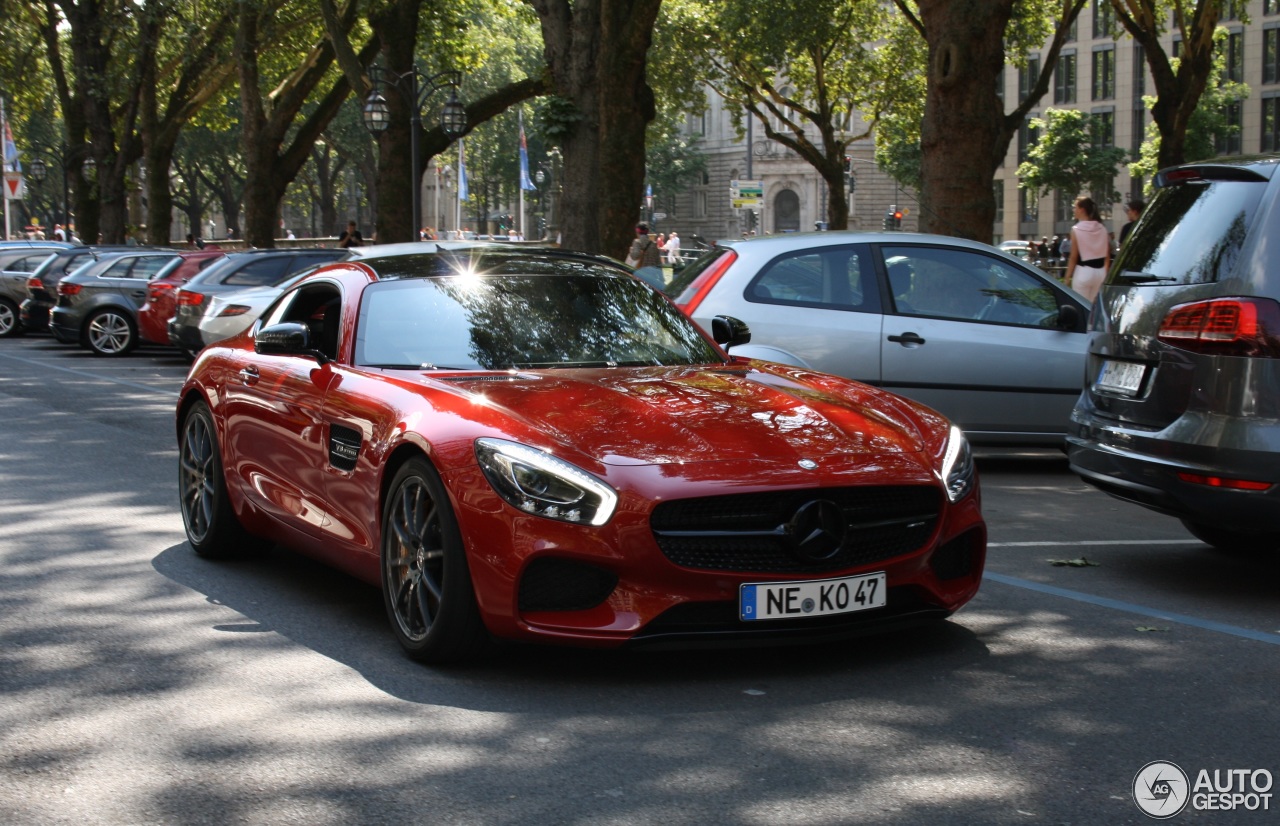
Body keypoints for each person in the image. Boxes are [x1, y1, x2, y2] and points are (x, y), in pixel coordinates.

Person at [1065, 196, 1110, 303]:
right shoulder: (1102, 228)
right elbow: (1107, 255)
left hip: (1083, 271)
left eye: (1075, 207)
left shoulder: (1076, 229)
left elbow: (1073, 257)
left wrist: (1067, 277)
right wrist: (1105, 273)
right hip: (1100, 272)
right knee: (1094, 309)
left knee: (1080, 306)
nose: (1073, 210)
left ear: (1082, 210)